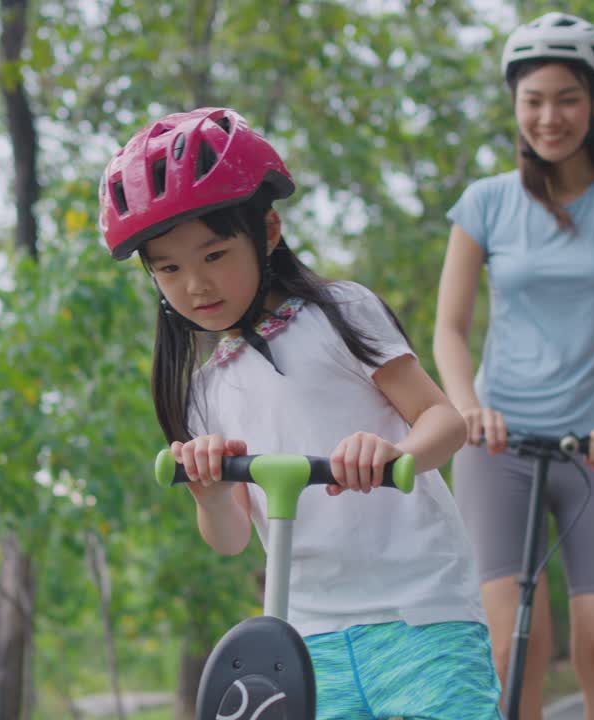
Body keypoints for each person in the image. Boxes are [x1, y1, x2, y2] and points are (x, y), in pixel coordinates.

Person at [99, 107, 501, 719]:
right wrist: (208, 493)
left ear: (267, 232)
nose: (196, 286)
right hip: (305, 635)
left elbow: (445, 422)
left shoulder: (341, 313)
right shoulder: (205, 389)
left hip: (421, 614)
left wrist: (398, 455)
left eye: (214, 255)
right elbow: (231, 538)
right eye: (170, 269)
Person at [432, 12, 594, 720]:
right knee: (511, 656)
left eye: (568, 98)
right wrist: (467, 410)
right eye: (534, 99)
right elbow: (448, 330)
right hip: (497, 448)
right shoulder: (485, 203)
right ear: (516, 106)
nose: (550, 116)